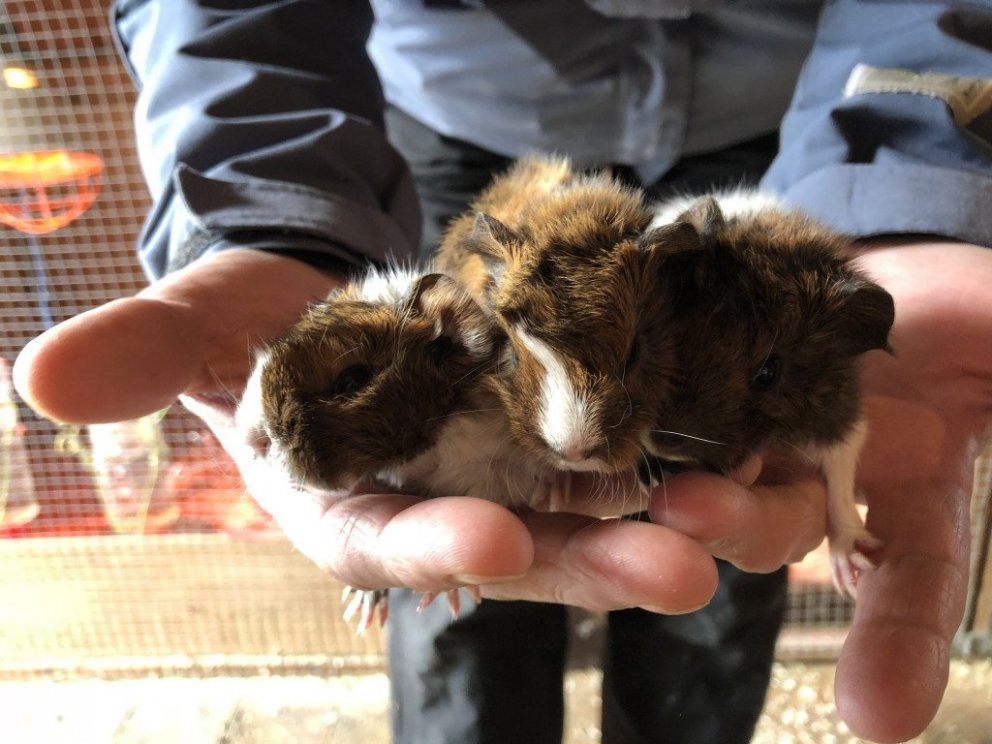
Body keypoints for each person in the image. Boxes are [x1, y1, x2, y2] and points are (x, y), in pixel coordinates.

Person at [13, 1, 992, 742]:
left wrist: (918, 175)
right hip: (461, 128)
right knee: (459, 576)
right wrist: (271, 209)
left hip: (786, 128)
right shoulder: (461, 310)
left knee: (723, 528)